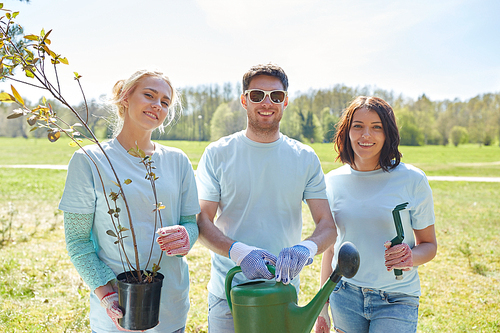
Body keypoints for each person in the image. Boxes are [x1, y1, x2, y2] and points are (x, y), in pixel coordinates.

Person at [196, 63, 338, 333]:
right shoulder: (217, 153)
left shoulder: (304, 157)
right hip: (228, 293)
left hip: (281, 293)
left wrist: (305, 249)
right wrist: (239, 252)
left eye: (275, 96)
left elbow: (327, 226)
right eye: (257, 95)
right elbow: (203, 221)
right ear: (244, 100)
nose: (267, 103)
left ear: (285, 101)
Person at [59, 69, 200, 333]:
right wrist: (106, 294)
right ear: (125, 97)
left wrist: (186, 236)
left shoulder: (178, 160)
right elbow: (78, 241)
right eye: (149, 95)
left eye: (165, 102)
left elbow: (191, 224)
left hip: (171, 308)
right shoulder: (90, 160)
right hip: (117, 310)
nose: (157, 105)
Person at [314, 96, 437, 333]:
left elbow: (429, 245)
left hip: (397, 298)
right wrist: (322, 308)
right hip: (345, 295)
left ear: (387, 133)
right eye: (357, 126)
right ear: (346, 132)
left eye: (376, 127)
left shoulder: (413, 180)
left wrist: (410, 257)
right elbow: (331, 250)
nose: (366, 135)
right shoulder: (331, 182)